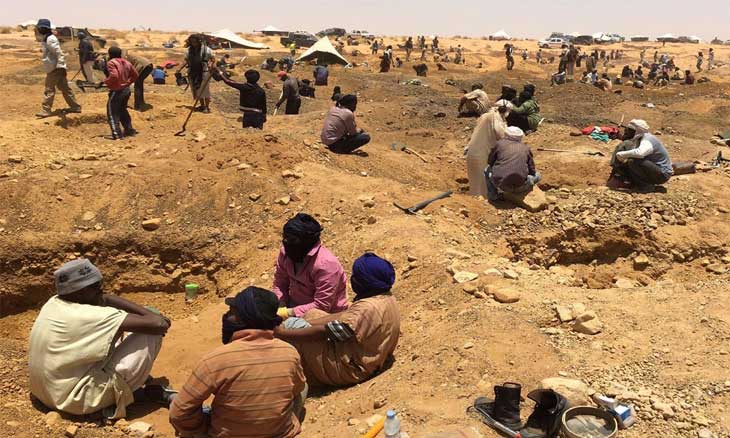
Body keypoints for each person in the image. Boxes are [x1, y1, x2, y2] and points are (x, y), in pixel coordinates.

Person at [29, 259, 172, 419]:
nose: (101, 289)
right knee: (149, 331)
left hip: (45, 392)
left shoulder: (53, 303)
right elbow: (159, 324)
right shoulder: (89, 315)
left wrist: (101, 298)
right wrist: (106, 299)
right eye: (96, 286)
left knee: (120, 328)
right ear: (80, 292)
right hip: (76, 401)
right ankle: (120, 395)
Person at [170, 287, 306, 438]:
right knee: (302, 386)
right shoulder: (289, 352)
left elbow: (178, 413)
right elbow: (297, 389)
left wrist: (201, 429)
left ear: (243, 319)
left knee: (184, 405)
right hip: (279, 434)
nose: (227, 316)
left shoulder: (215, 360)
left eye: (232, 312)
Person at [274, 253, 400, 387]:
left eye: (356, 277)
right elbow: (345, 315)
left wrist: (283, 333)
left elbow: (326, 332)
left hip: (351, 369)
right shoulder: (384, 298)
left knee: (293, 327)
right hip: (368, 356)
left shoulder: (366, 308)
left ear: (365, 281)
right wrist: (308, 323)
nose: (353, 280)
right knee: (312, 314)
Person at [272, 213, 348, 326]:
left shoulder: (326, 265)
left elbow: (321, 305)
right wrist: (281, 304)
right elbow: (280, 282)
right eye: (285, 238)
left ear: (306, 242)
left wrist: (288, 313)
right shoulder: (286, 253)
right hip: (294, 306)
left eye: (292, 239)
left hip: (324, 316)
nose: (286, 242)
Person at [608, 119, 673, 192]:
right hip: (655, 171)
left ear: (637, 131)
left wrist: (621, 154)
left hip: (662, 174)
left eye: (630, 130)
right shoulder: (639, 139)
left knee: (633, 161)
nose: (627, 131)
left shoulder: (647, 139)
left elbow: (640, 153)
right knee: (628, 163)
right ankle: (633, 183)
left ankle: (646, 186)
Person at [35, 19, 82, 118]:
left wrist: (60, 66)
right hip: (56, 68)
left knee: (49, 89)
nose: (38, 29)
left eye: (39, 28)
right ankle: (75, 107)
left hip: (55, 68)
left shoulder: (50, 39)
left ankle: (46, 110)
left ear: (44, 28)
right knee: (65, 89)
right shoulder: (47, 38)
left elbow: (59, 53)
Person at [465, 101, 511, 197]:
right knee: (483, 178)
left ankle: (476, 197)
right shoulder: (496, 118)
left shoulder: (486, 115)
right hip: (482, 153)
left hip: (473, 150)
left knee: (475, 179)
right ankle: (483, 198)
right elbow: (500, 134)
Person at [485, 127, 541, 202]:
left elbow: (490, 162)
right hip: (521, 187)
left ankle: (493, 196)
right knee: (538, 175)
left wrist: (499, 168)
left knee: (486, 169)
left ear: (506, 135)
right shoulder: (526, 148)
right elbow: (532, 170)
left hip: (501, 186)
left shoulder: (499, 144)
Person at [104, 46, 138, 140]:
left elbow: (114, 75)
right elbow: (135, 75)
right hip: (126, 90)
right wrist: (127, 83)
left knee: (112, 112)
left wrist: (106, 82)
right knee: (122, 110)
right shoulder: (127, 62)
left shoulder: (111, 62)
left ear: (110, 54)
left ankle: (116, 134)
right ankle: (129, 130)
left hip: (117, 91)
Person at [185, 34, 214, 113]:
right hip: (193, 72)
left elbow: (213, 59)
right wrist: (179, 69)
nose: (194, 43)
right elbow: (186, 60)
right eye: (192, 42)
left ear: (199, 41)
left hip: (204, 72)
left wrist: (211, 65)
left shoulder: (207, 50)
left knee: (205, 90)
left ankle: (207, 107)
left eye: (195, 42)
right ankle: (202, 106)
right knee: (197, 89)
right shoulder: (189, 50)